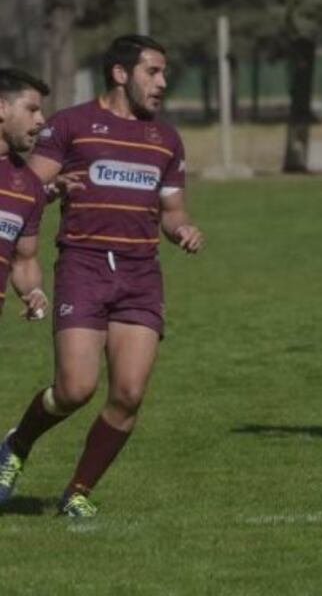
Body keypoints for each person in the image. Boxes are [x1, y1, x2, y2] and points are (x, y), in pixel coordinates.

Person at [0, 35, 204, 518]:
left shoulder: (165, 139)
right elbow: (26, 186)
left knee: (130, 392)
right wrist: (53, 189)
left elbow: (172, 210)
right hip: (84, 265)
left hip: (140, 271)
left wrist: (183, 230)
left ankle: (77, 492)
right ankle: (18, 443)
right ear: (120, 72)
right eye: (153, 72)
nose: (162, 83)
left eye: (164, 74)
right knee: (75, 387)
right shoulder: (70, 124)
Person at [0, 69, 49, 324]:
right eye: (32, 109)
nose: (41, 120)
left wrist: (35, 291)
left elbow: (24, 261)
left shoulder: (29, 187)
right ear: (2, 108)